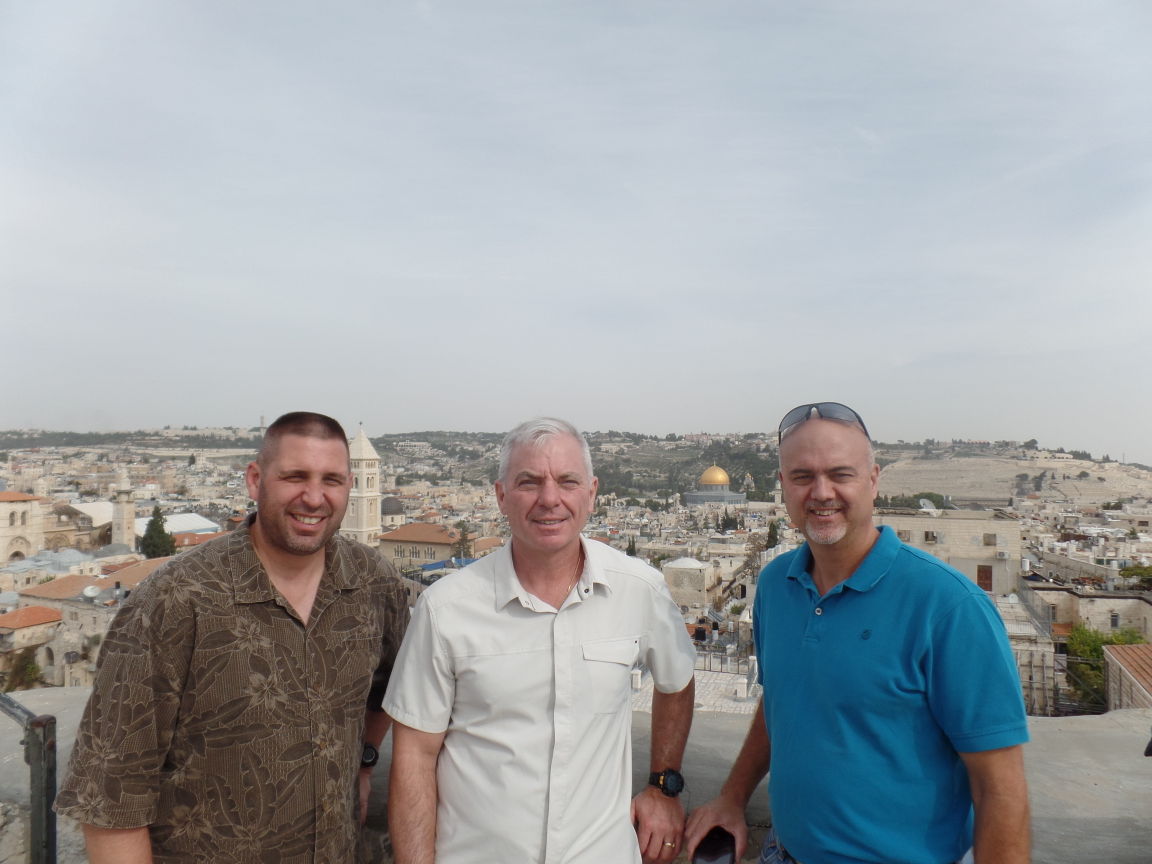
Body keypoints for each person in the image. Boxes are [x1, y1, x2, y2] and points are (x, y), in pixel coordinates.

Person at [685, 402, 1030, 864]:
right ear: (783, 486)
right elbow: (781, 701)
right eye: (803, 476)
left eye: (840, 474)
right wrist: (732, 795)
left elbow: (1000, 790)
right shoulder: (775, 584)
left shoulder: (949, 607)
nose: (821, 492)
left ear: (873, 479)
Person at [56, 412, 408, 863]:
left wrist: (365, 758)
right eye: (295, 476)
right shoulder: (175, 599)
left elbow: (389, 686)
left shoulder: (372, 581)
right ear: (255, 479)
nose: (314, 497)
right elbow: (111, 789)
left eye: (332, 480)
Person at [383, 417, 696, 864]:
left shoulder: (639, 589)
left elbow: (677, 680)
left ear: (591, 492)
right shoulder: (446, 607)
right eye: (529, 482)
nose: (550, 499)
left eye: (567, 481)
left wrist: (665, 786)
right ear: (501, 496)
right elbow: (414, 754)